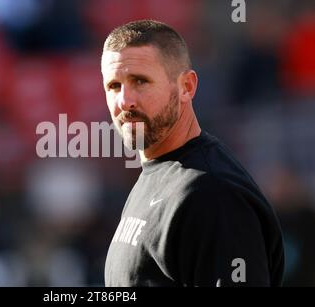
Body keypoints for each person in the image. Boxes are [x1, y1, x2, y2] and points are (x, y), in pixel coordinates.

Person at [101, 20, 285, 287]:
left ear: (187, 87)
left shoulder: (212, 193)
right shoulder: (159, 174)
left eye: (140, 81)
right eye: (114, 86)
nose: (125, 101)